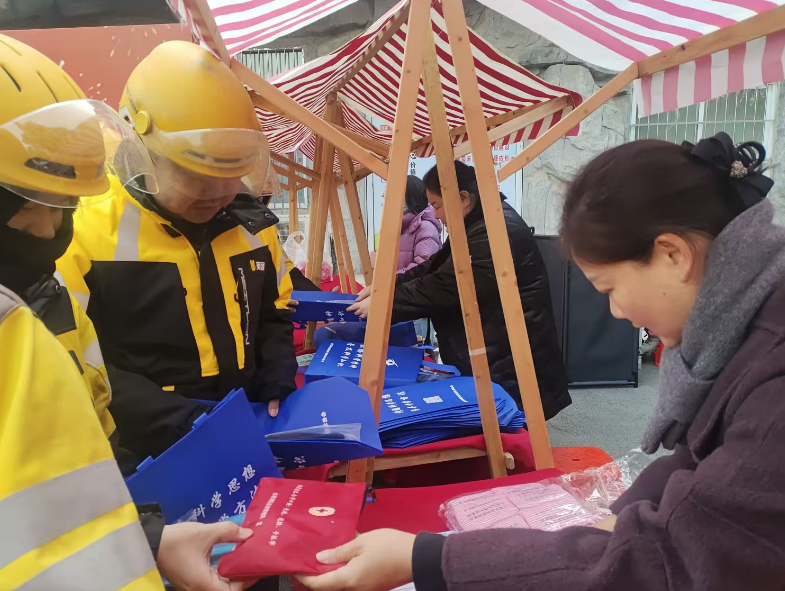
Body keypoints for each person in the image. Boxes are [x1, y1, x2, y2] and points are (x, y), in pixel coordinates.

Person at [298, 133, 785, 591]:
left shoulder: (772, 388)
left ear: (673, 255)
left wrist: (426, 558)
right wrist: (623, 514)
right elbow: (695, 462)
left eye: (611, 289)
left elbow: (664, 558)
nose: (617, 312)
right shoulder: (747, 325)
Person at [0, 25, 256, 591]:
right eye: (23, 203)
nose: (48, 231)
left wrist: (145, 539)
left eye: (63, 206)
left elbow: (71, 472)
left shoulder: (44, 305)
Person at [57, 40, 297, 464]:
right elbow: (72, 361)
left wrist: (276, 370)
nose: (218, 194)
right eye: (196, 175)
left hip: (242, 429)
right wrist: (180, 421)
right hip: (145, 451)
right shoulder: (84, 230)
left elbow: (275, 310)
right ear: (139, 150)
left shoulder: (251, 225)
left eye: (232, 174)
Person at [349, 161, 570, 420]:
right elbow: (434, 266)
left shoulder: (493, 230)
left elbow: (447, 285)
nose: (436, 215)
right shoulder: (475, 222)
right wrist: (387, 286)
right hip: (496, 349)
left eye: (437, 205)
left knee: (511, 425)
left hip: (508, 355)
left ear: (463, 198)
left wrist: (387, 303)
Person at [398, 175, 441, 274]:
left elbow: (422, 267)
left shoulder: (426, 228)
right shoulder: (399, 226)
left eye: (399, 196)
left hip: (406, 283)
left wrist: (391, 279)